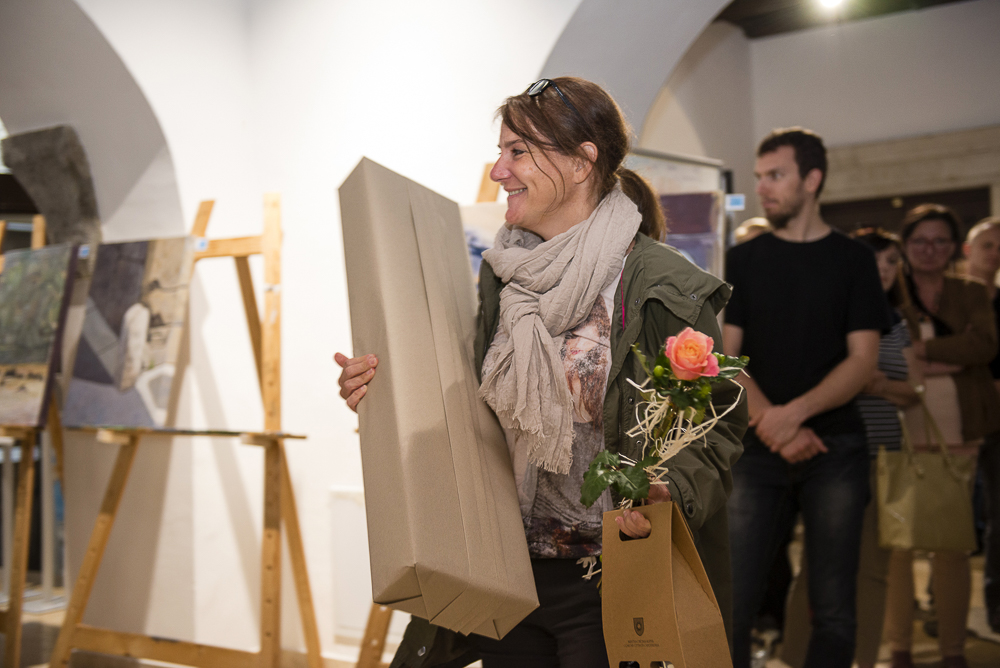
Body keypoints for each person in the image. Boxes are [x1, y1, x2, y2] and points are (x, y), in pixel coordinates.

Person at [335, 76, 748, 668]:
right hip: (508, 570)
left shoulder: (661, 284)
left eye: (518, 151)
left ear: (582, 162)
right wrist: (383, 390)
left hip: (609, 576)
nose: (498, 170)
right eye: (501, 151)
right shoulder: (504, 274)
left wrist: (667, 491)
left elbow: (715, 425)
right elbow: (473, 404)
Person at [723, 128, 889, 668]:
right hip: (756, 449)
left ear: (812, 179)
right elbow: (725, 357)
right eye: (760, 177)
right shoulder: (743, 259)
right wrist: (771, 423)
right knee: (732, 601)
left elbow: (862, 361)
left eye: (776, 175)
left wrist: (790, 416)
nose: (763, 188)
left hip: (835, 448)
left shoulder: (854, 259)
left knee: (834, 607)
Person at [781, 228, 920, 668]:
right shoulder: (825, 312)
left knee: (875, 571)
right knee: (818, 568)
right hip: (831, 453)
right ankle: (797, 658)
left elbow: (913, 390)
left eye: (892, 261)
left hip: (884, 457)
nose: (883, 269)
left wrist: (873, 382)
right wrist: (855, 382)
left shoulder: (896, 322)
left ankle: (863, 661)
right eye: (874, 259)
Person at [884, 205, 1000, 668]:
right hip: (900, 430)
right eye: (920, 241)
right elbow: (890, 357)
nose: (929, 250)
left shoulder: (969, 291)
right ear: (906, 245)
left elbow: (984, 345)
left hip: (960, 429)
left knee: (952, 545)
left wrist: (923, 352)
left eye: (940, 241)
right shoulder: (891, 292)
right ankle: (900, 648)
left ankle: (953, 650)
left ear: (954, 247)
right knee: (898, 545)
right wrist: (949, 357)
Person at [964, 216, 1000, 633]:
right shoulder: (952, 298)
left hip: (995, 421)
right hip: (957, 418)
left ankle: (995, 607)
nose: (994, 254)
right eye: (987, 245)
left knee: (996, 516)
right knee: (951, 512)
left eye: (999, 247)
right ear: (970, 250)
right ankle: (940, 602)